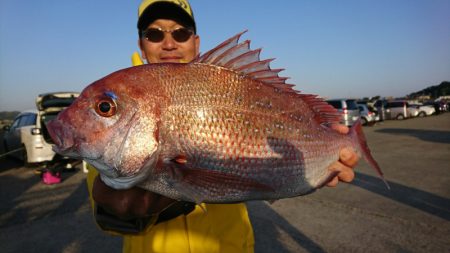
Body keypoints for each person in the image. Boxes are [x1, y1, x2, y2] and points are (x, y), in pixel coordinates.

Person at [86, 1, 359, 252]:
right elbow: (110, 215)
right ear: (141, 45)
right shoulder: (114, 106)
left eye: (180, 33)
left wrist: (317, 160)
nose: (168, 43)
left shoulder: (227, 80)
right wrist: (117, 203)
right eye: (155, 34)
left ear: (196, 42)